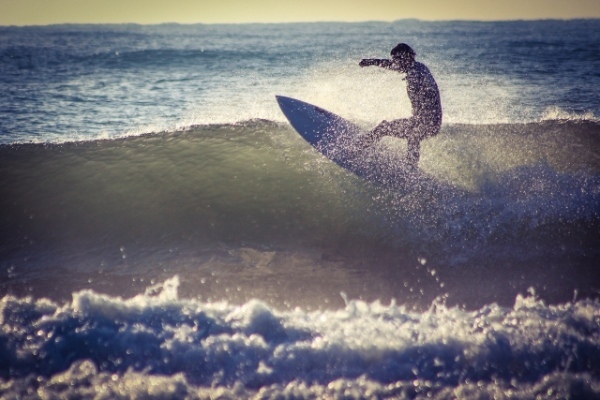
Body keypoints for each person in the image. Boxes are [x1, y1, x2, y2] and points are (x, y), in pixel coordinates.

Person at [359, 43, 442, 167]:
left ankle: (410, 167)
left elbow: (430, 93)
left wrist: (421, 116)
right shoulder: (415, 68)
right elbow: (390, 65)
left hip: (428, 122)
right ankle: (363, 146)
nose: (394, 63)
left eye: (396, 60)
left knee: (412, 134)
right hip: (426, 121)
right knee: (388, 128)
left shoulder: (415, 72)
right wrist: (371, 61)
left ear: (404, 58)